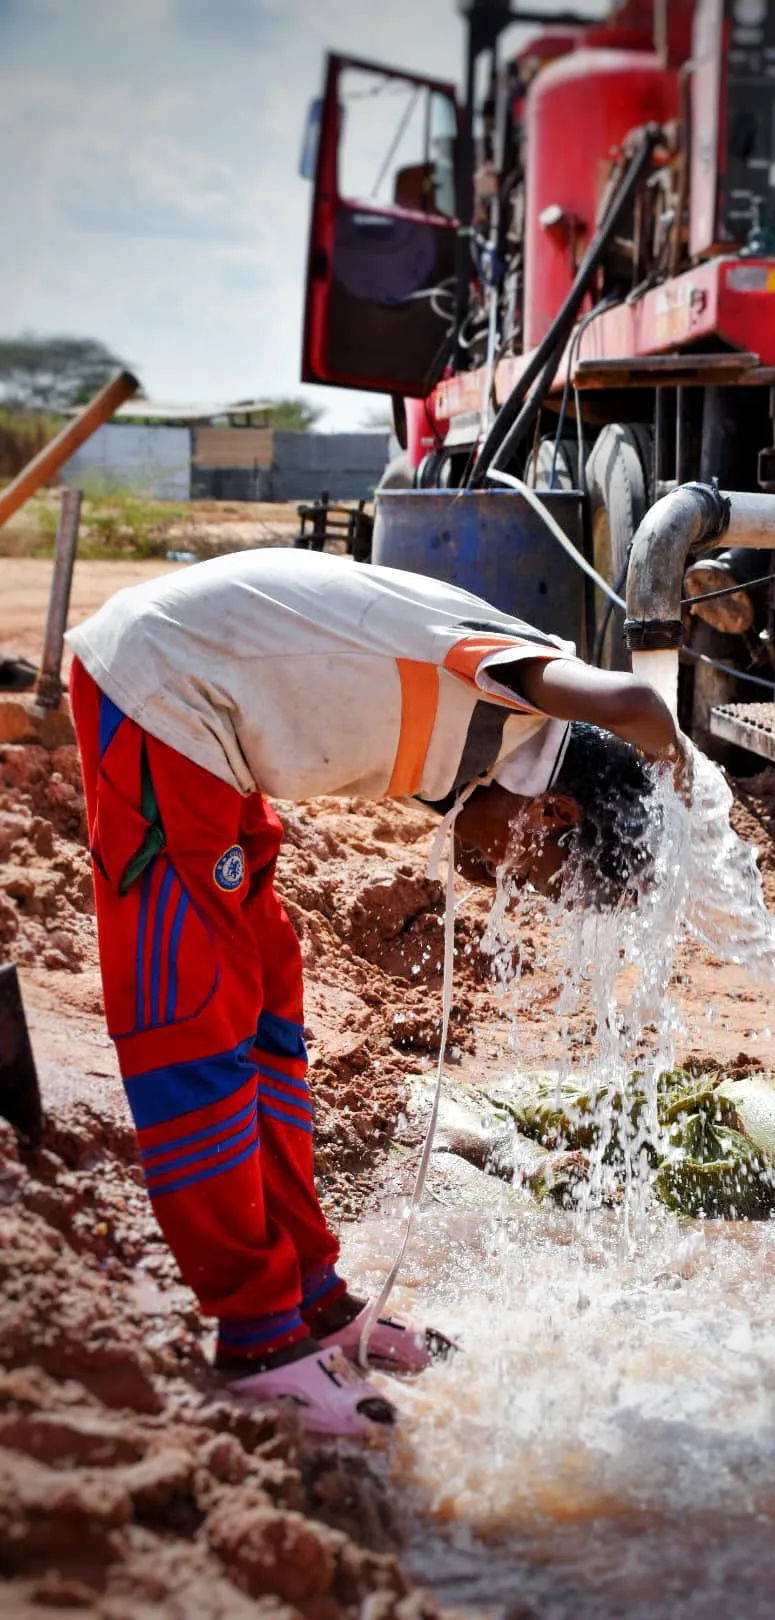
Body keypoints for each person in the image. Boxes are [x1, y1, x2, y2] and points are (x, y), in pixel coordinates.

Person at [65, 548, 683, 1439]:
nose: (517, 892)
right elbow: (638, 705)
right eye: (547, 882)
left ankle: (312, 1298)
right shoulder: (523, 695)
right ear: (554, 815)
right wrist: (678, 773)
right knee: (194, 1018)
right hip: (162, 693)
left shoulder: (511, 737)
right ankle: (257, 1340)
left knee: (269, 1009)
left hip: (218, 734)